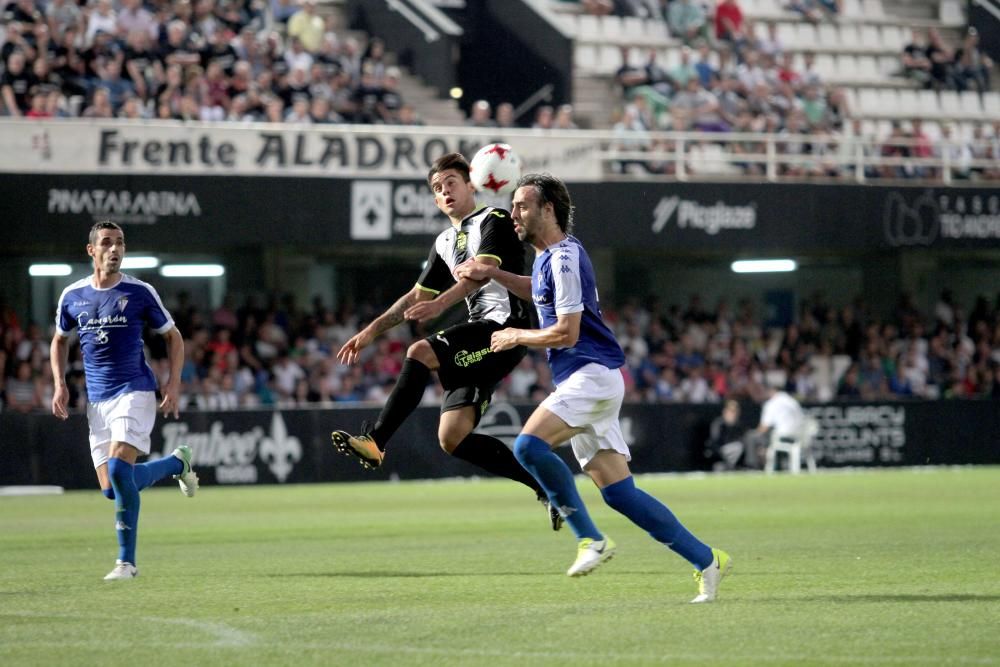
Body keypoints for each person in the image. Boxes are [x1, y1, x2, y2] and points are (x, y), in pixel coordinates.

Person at [454, 174, 731, 602]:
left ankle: (590, 539)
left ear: (548, 210)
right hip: (590, 378)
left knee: (528, 447)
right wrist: (494, 273)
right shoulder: (550, 259)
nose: (513, 214)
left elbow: (565, 332)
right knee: (620, 494)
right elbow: (539, 292)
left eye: (522, 205)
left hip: (591, 374)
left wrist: (516, 337)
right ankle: (707, 560)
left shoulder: (563, 258)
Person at [331, 152, 561, 531]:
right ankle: (547, 488)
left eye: (451, 182)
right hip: (483, 337)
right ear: (435, 201)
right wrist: (370, 331)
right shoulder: (444, 242)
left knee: (420, 351)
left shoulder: (495, 219)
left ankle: (375, 441)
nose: (445, 191)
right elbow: (415, 296)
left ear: (471, 184)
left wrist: (439, 303)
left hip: (503, 328)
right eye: (438, 189)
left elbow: (479, 275)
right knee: (452, 437)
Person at [50, 221, 198, 581]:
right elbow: (59, 340)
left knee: (118, 471)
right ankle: (177, 464)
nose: (114, 249)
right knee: (111, 488)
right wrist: (59, 385)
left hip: (134, 391)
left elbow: (174, 337)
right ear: (92, 251)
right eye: (106, 243)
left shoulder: (140, 292)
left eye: (120, 243)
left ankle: (126, 564)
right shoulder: (72, 296)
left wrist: (173, 383)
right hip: (97, 401)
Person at [705, 399, 752, 470]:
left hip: (734, 451)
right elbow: (715, 440)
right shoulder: (718, 424)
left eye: (735, 411)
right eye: (731, 411)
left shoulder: (739, 425)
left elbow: (744, 439)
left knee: (740, 446)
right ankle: (730, 467)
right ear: (725, 412)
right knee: (738, 446)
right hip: (720, 449)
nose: (733, 414)